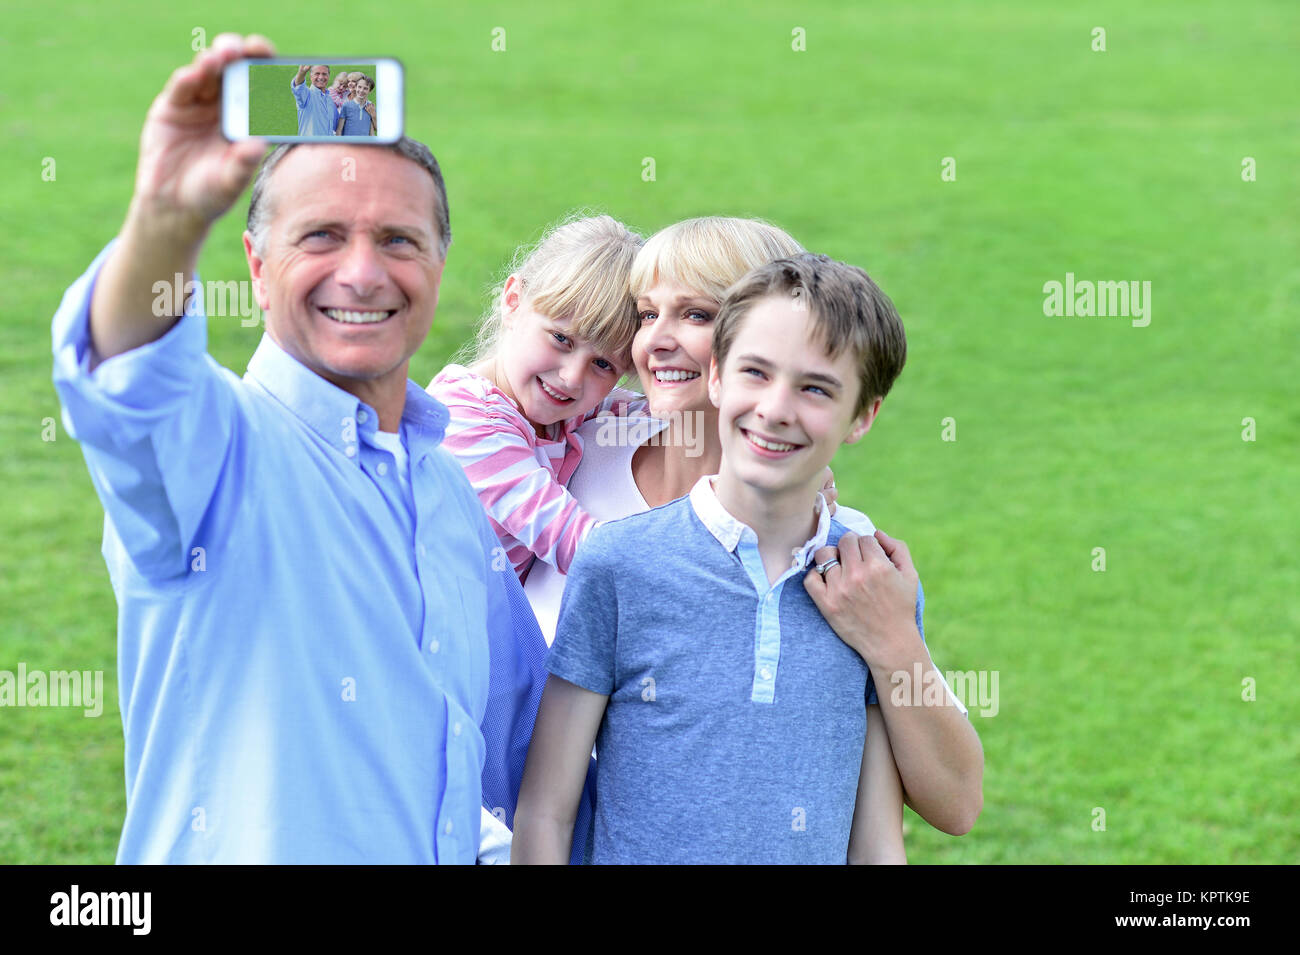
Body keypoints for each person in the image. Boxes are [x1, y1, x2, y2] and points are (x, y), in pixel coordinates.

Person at [50, 34, 570, 863]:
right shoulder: (219, 451)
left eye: (399, 240)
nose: (363, 273)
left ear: (440, 264)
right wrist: (165, 221)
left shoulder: (446, 489)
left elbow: (537, 747)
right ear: (256, 266)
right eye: (322, 236)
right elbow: (131, 385)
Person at [513, 251, 983, 863]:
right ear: (716, 378)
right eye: (755, 373)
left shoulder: (866, 581)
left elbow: (886, 830)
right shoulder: (618, 563)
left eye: (816, 388)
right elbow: (545, 810)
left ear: (863, 416)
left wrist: (893, 640)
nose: (776, 409)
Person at [428, 215, 645, 581]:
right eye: (561, 339)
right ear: (513, 302)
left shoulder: (561, 411)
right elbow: (570, 541)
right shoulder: (465, 418)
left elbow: (667, 411)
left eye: (603, 363)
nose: (572, 377)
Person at [290, 63, 337, 136]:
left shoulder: (329, 99)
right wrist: (301, 73)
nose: (321, 77)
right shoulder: (307, 95)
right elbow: (298, 87)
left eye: (324, 74)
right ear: (311, 76)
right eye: (317, 74)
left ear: (328, 76)